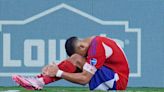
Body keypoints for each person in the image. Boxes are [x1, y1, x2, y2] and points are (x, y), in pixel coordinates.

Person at [12, 36, 129, 91]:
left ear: (82, 47)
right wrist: (54, 69)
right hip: (110, 75)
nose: (85, 57)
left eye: (83, 54)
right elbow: (74, 61)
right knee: (75, 60)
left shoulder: (96, 47)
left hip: (117, 83)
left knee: (76, 60)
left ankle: (40, 81)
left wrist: (58, 72)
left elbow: (84, 79)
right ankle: (39, 81)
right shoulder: (92, 43)